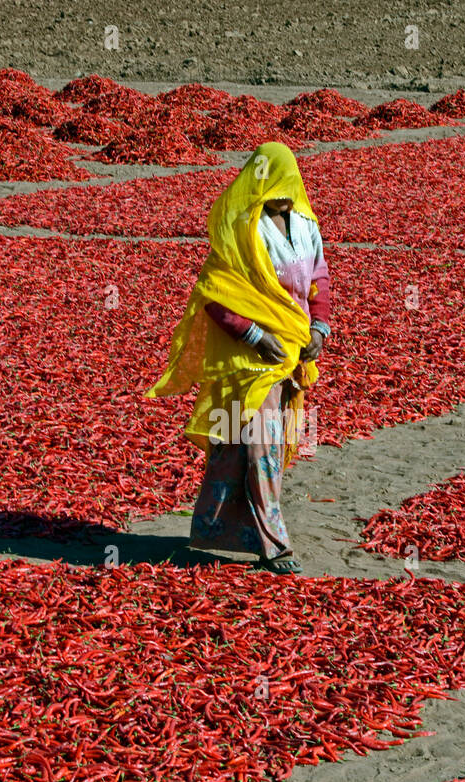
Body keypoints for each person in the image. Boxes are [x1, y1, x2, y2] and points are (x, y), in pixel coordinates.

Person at [146, 142, 331, 574]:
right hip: (247, 357)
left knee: (247, 443)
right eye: (273, 179)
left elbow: (320, 279)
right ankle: (274, 545)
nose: (282, 190)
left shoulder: (305, 225)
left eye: (287, 180)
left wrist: (319, 329)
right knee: (257, 448)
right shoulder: (242, 228)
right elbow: (214, 293)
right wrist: (253, 334)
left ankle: (216, 528)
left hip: (292, 349)